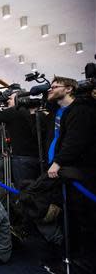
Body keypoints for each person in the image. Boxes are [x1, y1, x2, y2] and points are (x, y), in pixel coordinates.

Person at [42, 76, 96, 274]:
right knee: (66, 216)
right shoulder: (57, 111)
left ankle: (81, 263)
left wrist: (58, 161)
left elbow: (75, 141)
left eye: (54, 87)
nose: (50, 89)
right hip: (57, 169)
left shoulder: (81, 110)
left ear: (69, 88)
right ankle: (68, 256)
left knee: (82, 219)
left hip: (76, 172)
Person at [0, 90, 41, 189]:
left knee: (23, 189)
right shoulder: (30, 111)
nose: (8, 101)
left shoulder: (13, 112)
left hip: (21, 159)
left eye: (11, 98)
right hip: (36, 157)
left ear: (19, 99)